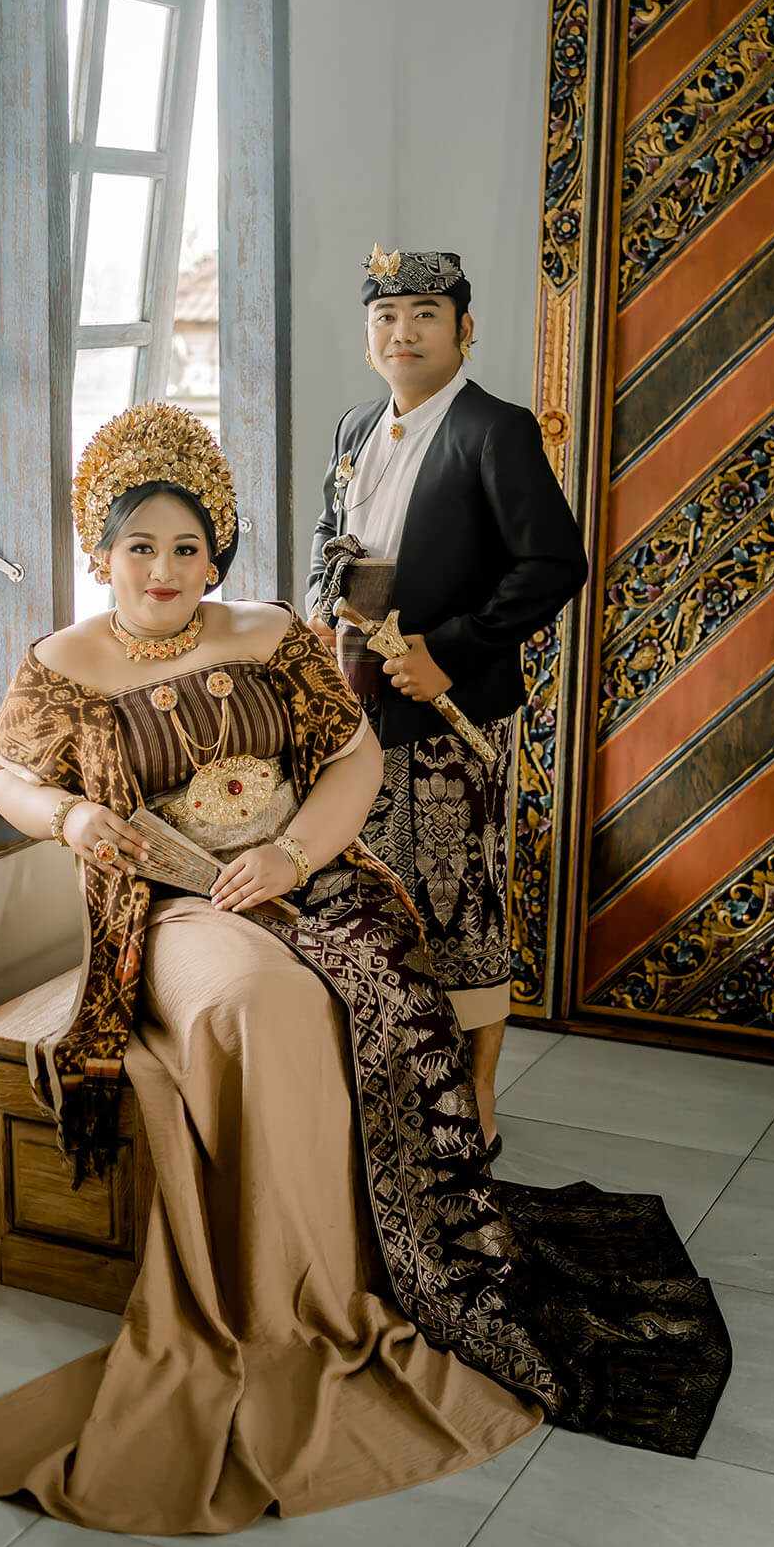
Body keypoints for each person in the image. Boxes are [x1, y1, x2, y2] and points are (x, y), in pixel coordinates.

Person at [0, 401, 727, 1536]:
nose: (164, 570)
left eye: (188, 547)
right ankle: (281, 1293)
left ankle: (372, 1263)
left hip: (307, 878)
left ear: (218, 555)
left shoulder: (268, 634)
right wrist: (67, 817)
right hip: (169, 907)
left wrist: (292, 854)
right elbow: (3, 772)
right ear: (100, 551)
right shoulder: (62, 664)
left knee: (382, 990)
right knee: (263, 1003)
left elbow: (353, 758)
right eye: (140, 546)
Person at [307, 247, 587, 1156]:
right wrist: (318, 611)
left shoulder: (493, 428)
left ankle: (476, 1096)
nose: (404, 332)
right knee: (373, 892)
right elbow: (329, 536)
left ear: (464, 330)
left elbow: (553, 563)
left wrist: (451, 653)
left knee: (457, 896)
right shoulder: (355, 424)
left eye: (425, 314)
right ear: (368, 336)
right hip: (357, 699)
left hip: (443, 706)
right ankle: (396, 1085)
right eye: (386, 317)